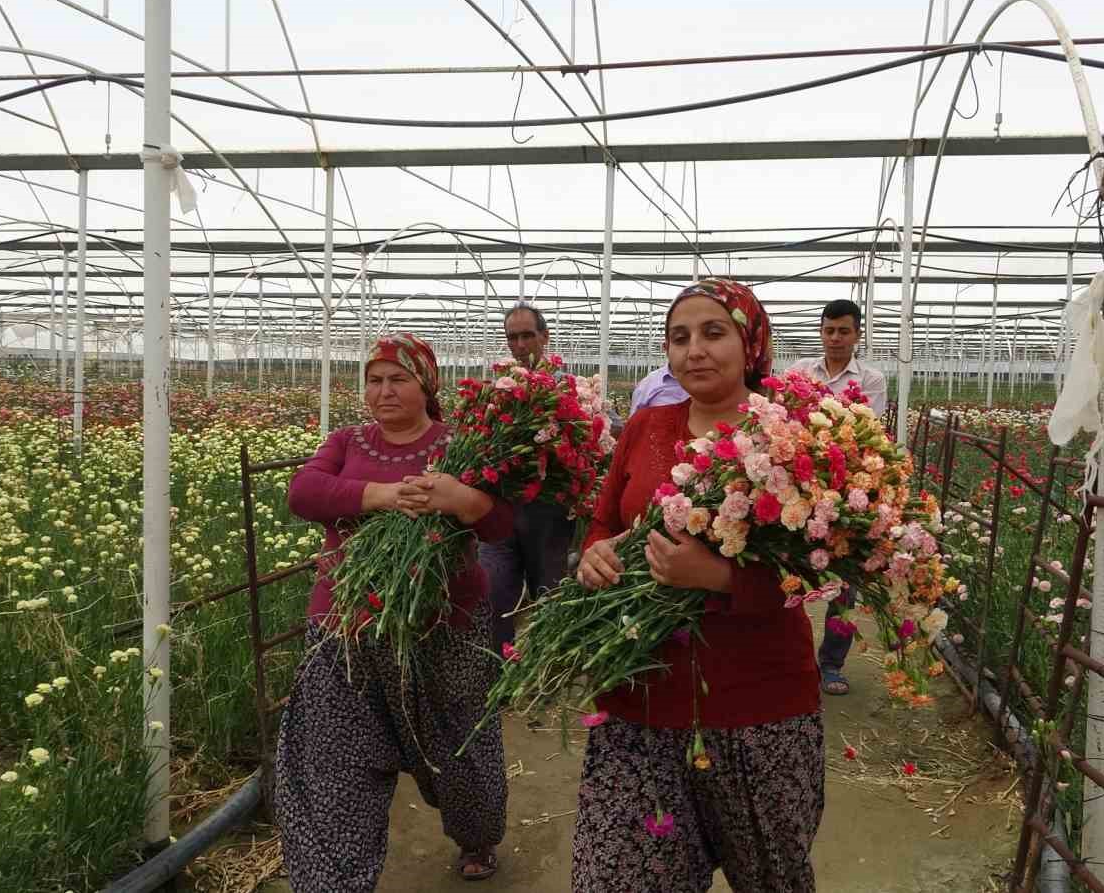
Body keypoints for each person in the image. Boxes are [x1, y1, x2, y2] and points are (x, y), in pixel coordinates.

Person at [570, 279, 824, 893]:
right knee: (617, 878)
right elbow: (604, 520)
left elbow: (822, 572)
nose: (695, 351)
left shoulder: (794, 436)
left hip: (758, 708)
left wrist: (719, 578)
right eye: (679, 337)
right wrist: (596, 555)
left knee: (773, 878)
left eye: (714, 333)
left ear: (750, 342)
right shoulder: (645, 428)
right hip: (640, 698)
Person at [275, 333, 510, 889]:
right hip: (347, 624)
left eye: (398, 378)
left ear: (426, 385)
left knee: (459, 747)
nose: (384, 390)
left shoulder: (461, 443)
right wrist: (380, 496)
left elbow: (501, 524)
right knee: (334, 754)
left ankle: (476, 834)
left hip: (445, 625)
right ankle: (335, 879)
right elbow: (304, 492)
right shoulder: (346, 440)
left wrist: (462, 500)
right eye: (375, 380)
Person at [787, 298, 886, 696]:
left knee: (845, 581)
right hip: (798, 481)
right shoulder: (799, 372)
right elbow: (788, 419)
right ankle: (787, 659)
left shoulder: (871, 379)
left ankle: (830, 664)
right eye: (829, 330)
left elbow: (866, 431)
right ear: (821, 331)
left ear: (857, 334)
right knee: (787, 574)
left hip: (849, 488)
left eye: (844, 331)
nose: (835, 338)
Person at [481, 303, 579, 650]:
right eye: (513, 338)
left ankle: (543, 670)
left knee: (548, 593)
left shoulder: (567, 391)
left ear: (544, 337)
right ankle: (496, 669)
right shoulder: (497, 392)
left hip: (548, 512)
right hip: (500, 509)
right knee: (493, 589)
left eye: (527, 335)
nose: (520, 345)